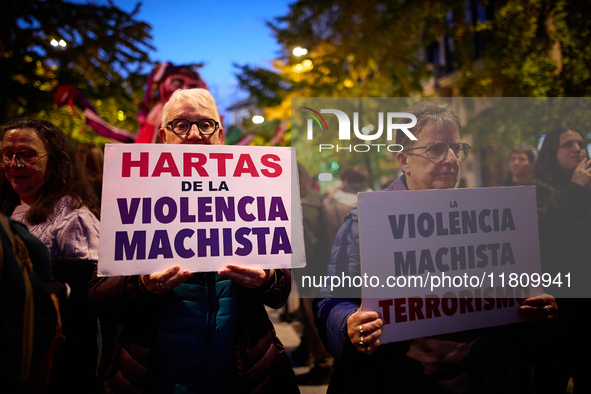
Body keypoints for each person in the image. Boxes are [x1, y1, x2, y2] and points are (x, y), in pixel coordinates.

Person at [314, 101, 558, 393]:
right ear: (403, 160)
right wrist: (349, 324)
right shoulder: (364, 223)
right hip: (396, 381)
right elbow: (331, 301)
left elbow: (510, 297)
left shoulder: (489, 220)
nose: (452, 159)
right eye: (436, 149)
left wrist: (535, 310)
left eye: (456, 148)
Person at [88, 88, 298, 393]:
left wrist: (266, 280)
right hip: (156, 379)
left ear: (220, 134)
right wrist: (140, 286)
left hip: (244, 376)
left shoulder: (253, 191)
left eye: (205, 124)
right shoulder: (128, 195)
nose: (195, 134)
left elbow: (281, 291)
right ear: (163, 135)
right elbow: (98, 299)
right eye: (182, 124)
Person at [0, 118, 101, 392]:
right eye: (7, 154)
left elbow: (86, 299)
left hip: (53, 365)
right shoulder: (7, 208)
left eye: (28, 155)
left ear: (55, 160)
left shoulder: (74, 218)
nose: (15, 164)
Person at [530, 127, 591, 394]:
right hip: (558, 309)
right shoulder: (538, 191)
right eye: (568, 144)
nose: (577, 148)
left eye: (580, 143)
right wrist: (575, 188)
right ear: (551, 153)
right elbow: (543, 229)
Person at [292, 163, 333, 385]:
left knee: (311, 314)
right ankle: (307, 348)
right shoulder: (318, 199)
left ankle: (323, 363)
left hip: (309, 268)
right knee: (312, 313)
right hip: (322, 265)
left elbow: (305, 242)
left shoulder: (300, 204)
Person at [322, 165, 372, 246]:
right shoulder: (376, 199)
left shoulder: (331, 205)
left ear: (345, 182)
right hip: (372, 249)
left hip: (344, 252)